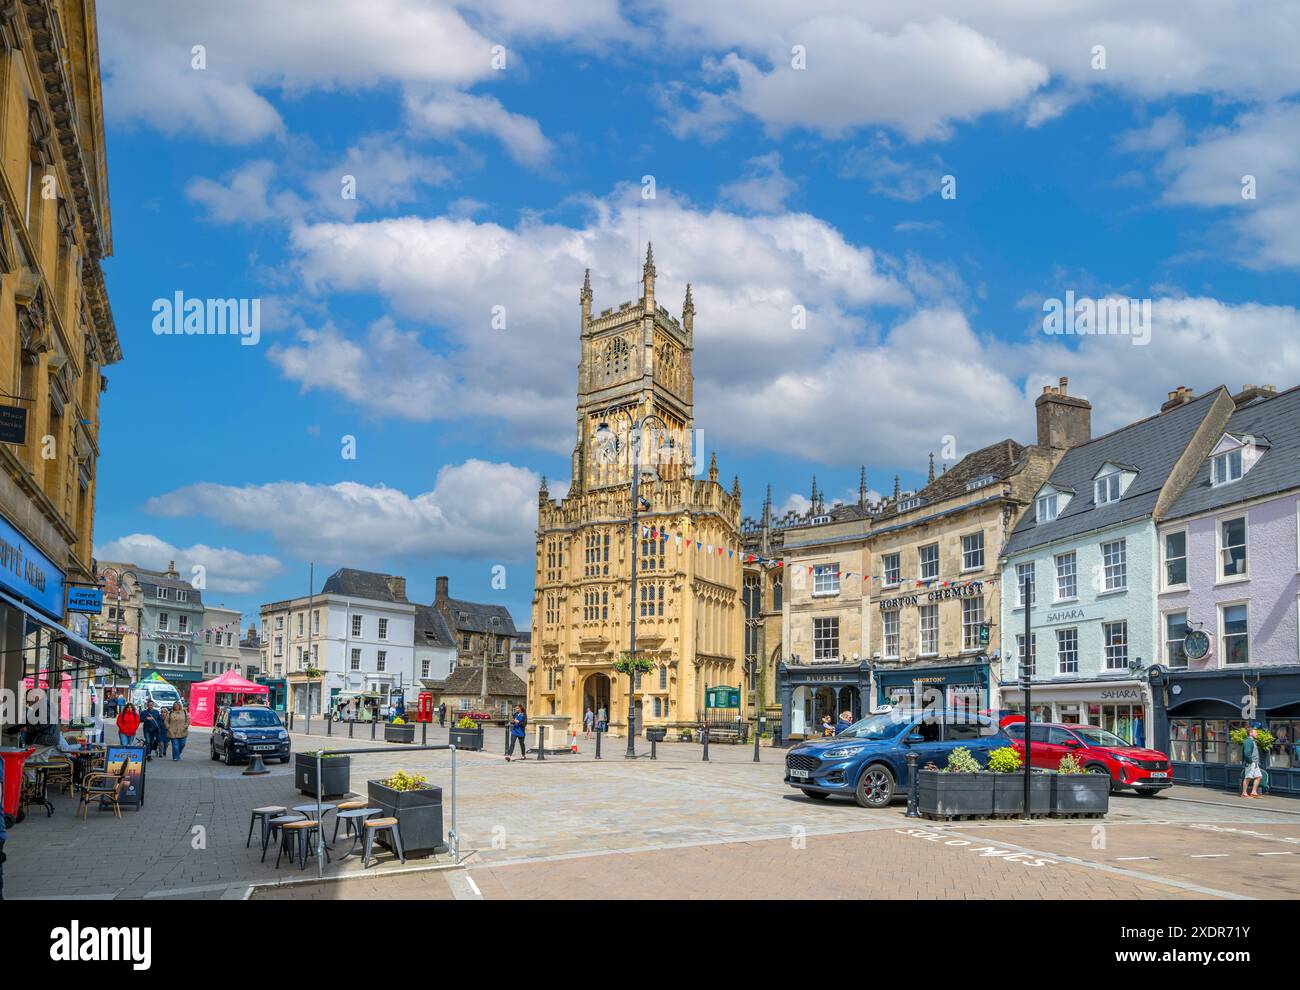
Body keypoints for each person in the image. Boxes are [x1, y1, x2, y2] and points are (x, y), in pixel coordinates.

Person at [1242, 725, 1264, 799]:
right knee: (1248, 777)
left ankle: (1253, 792)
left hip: (1255, 763)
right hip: (1250, 763)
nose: (1257, 734)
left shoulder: (1253, 741)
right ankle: (1244, 793)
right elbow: (1247, 753)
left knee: (1259, 777)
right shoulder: (1248, 741)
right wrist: (1250, 762)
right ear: (1250, 733)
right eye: (1255, 732)